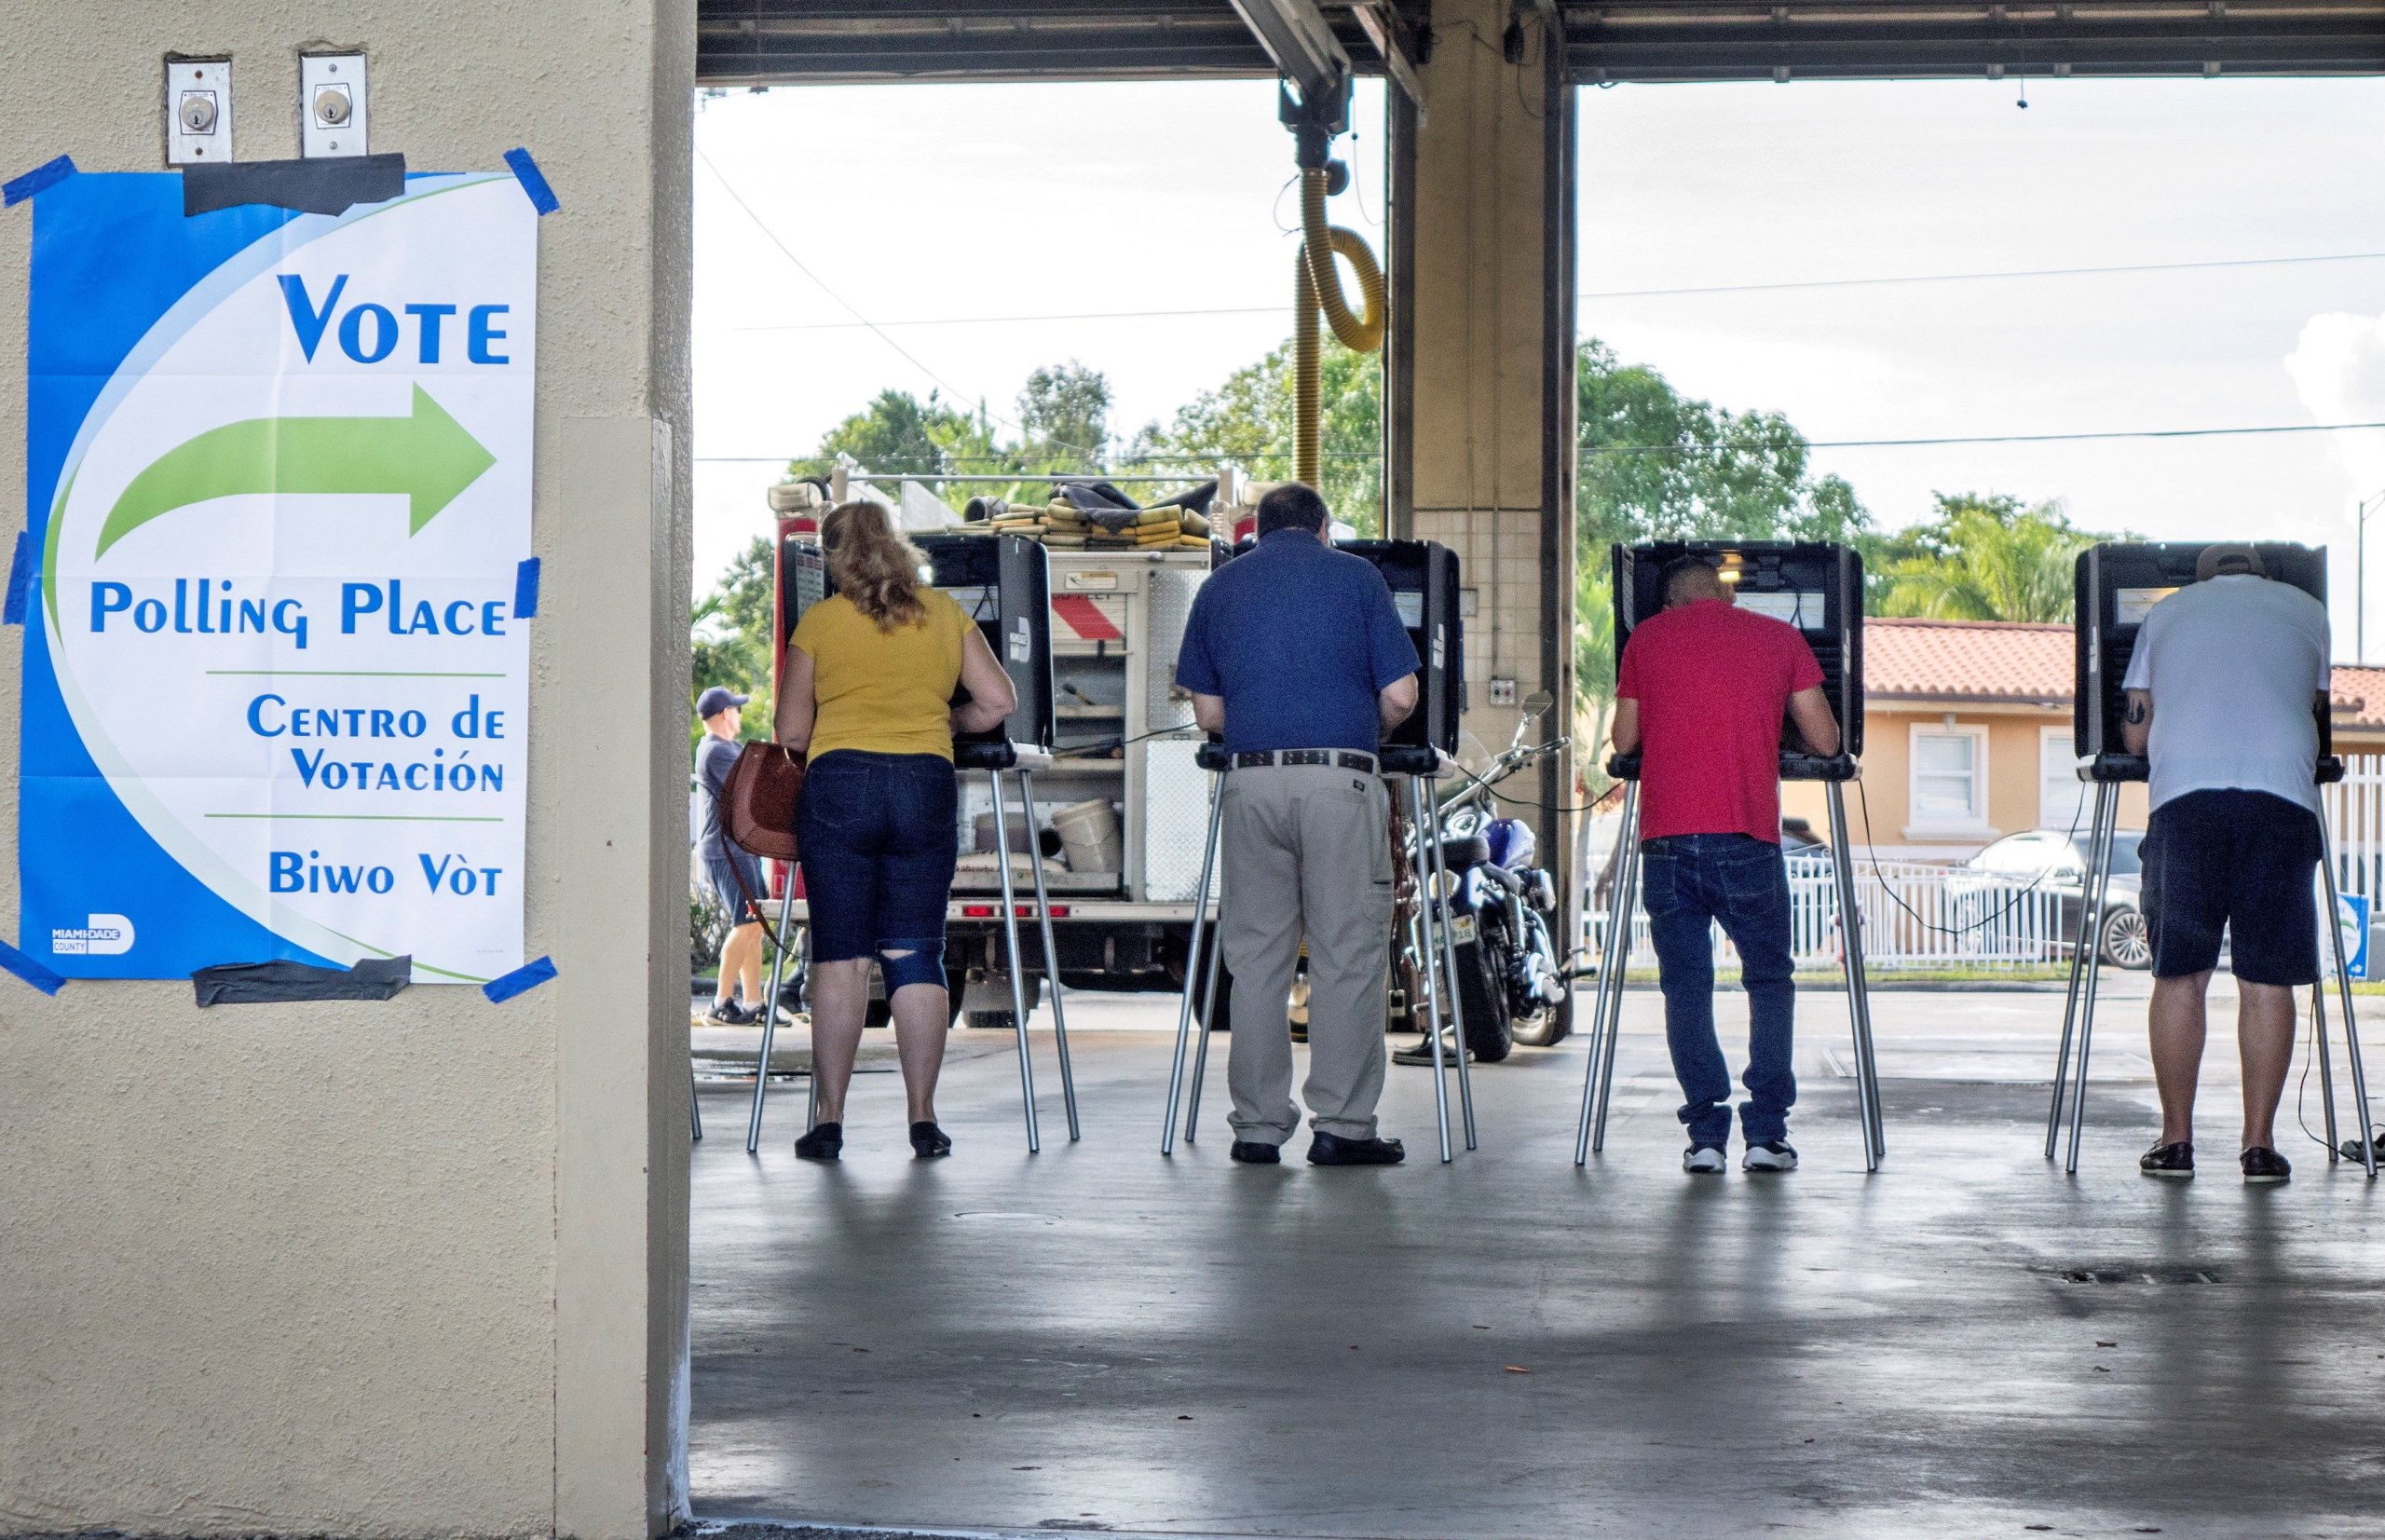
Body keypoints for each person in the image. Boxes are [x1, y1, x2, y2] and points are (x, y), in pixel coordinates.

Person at [1175, 482, 1421, 1167]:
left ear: (1258, 529)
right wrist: (1370, 729)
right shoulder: (1356, 577)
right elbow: (1401, 693)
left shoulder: (1219, 589)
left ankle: (1256, 1127)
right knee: (1345, 953)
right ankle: (1342, 1123)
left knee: (1256, 962)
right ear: (1322, 527)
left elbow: (1209, 716)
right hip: (1339, 779)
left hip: (1249, 781)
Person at [774, 499, 1016, 1162]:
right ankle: (923, 1117)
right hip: (923, 784)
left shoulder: (821, 622)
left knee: (842, 955)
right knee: (916, 950)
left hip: (841, 786)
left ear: (834, 559)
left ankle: (828, 1120)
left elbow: (792, 731)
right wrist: (947, 723)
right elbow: (997, 702)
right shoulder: (943, 612)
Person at [1611, 555, 1840, 1175]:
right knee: (1768, 980)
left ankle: (1706, 1138)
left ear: (1668, 604)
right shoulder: (1778, 637)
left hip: (1668, 839)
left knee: (1687, 987)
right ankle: (1766, 1136)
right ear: (1727, 596)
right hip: (1747, 836)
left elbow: (1624, 741)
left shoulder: (1647, 639)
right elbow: (1826, 740)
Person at [2121, 543, 2329, 1185]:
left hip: (2187, 797)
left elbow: (2134, 731)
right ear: (2263, 574)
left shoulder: (2167, 612)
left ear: (2202, 576)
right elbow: (2314, 712)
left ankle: (2176, 1142)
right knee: (2267, 977)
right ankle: (2260, 1147)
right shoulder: (2308, 609)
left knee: (2181, 972)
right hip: (2281, 798)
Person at [694, 685, 767, 1026]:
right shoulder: (715, 751)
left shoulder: (727, 747)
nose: (739, 714)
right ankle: (721, 1002)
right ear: (724, 714)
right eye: (735, 709)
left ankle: (754, 1003)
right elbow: (752, 789)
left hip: (740, 848)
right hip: (727, 851)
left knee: (755, 925)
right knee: (747, 923)